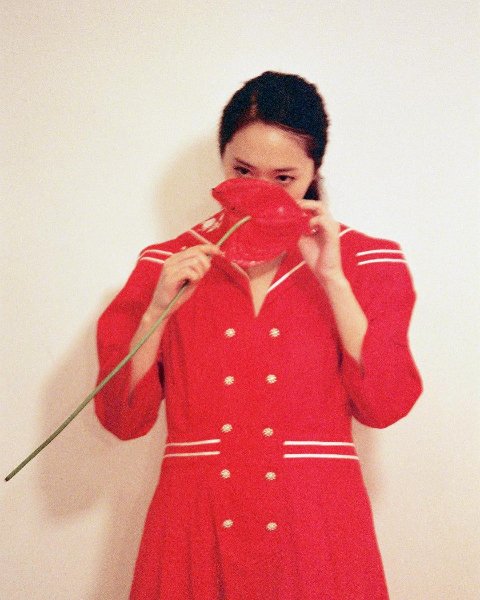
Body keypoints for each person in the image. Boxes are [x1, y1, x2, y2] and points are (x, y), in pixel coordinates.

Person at [94, 71, 422, 599]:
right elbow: (122, 418)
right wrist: (157, 308)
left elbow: (385, 404)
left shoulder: (369, 261)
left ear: (313, 172)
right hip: (194, 522)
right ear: (222, 160)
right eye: (242, 171)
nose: (260, 192)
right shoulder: (167, 264)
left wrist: (333, 278)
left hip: (316, 526)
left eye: (284, 177)